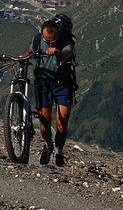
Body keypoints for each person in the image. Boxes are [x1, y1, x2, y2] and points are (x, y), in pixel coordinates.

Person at [20, 14, 75, 166]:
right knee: (44, 126)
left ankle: (58, 151)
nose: (49, 43)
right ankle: (48, 145)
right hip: (44, 84)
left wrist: (58, 52)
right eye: (47, 41)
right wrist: (21, 58)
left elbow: (68, 51)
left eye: (52, 41)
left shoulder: (65, 41)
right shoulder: (38, 41)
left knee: (62, 122)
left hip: (62, 83)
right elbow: (29, 52)